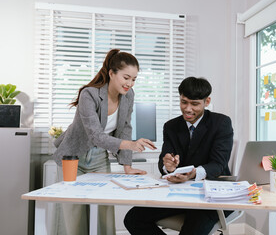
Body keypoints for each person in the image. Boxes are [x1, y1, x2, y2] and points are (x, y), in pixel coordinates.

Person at [53, 49, 156, 235]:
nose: (130, 84)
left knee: (103, 212)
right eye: (126, 77)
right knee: (74, 215)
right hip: (72, 157)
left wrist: (127, 165)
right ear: (111, 73)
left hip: (99, 157)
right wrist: (130, 144)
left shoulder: (128, 96)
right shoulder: (89, 95)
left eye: (134, 79)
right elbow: (95, 135)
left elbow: (125, 127)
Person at [124, 77, 233, 235]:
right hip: (181, 193)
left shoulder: (221, 123)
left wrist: (192, 174)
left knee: (191, 229)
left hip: (211, 196)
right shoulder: (171, 126)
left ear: (207, 101)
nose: (188, 109)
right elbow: (165, 160)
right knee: (133, 219)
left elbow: (218, 165)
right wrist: (168, 167)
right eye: (184, 102)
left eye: (194, 104)